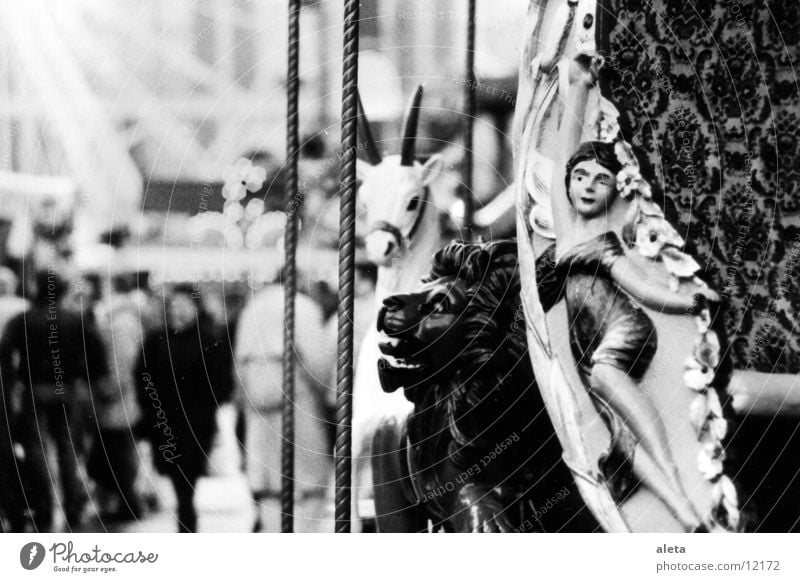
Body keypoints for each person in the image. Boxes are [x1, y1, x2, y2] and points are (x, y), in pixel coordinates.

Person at [541, 56, 716, 531]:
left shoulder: (603, 242)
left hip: (622, 332)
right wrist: (574, 85)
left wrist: (692, 303)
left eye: (600, 180)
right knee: (621, 435)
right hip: (589, 346)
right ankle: (683, 514)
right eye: (581, 177)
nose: (586, 186)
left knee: (604, 379)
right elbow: (562, 154)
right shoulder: (567, 230)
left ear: (614, 191)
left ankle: (680, 487)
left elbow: (642, 288)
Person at [0, 271, 107, 531]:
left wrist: (13, 382)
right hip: (66, 390)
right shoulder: (75, 320)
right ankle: (73, 507)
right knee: (68, 449)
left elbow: (4, 354)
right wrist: (85, 377)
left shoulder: (23, 321)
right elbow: (97, 352)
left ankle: (44, 506)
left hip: (34, 390)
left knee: (37, 450)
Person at [135, 284, 230, 533]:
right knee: (177, 472)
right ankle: (186, 513)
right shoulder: (157, 340)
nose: (178, 311)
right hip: (165, 420)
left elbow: (220, 381)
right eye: (174, 305)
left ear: (196, 308)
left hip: (197, 421)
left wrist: (208, 403)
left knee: (188, 470)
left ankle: (186, 517)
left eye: (184, 305)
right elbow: (143, 374)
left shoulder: (209, 339)